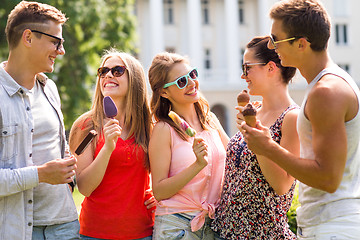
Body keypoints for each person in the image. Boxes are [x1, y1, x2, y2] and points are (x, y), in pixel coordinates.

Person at [241, 0, 360, 239]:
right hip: (326, 225)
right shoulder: (325, 85)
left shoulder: (326, 92)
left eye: (277, 39)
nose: (273, 47)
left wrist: (267, 147)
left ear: (301, 44)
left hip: (332, 227)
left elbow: (327, 178)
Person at [0, 1, 80, 240]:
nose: (61, 50)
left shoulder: (49, 87)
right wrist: (41, 175)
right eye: (56, 42)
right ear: (28, 37)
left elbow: (55, 146)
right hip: (19, 231)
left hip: (65, 225)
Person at [211, 36, 299, 239]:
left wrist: (254, 135)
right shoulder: (255, 111)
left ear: (270, 68)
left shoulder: (292, 117)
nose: (243, 76)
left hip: (260, 234)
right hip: (224, 231)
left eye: (247, 68)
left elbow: (282, 186)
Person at [69, 49, 155, 240]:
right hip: (95, 233)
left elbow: (165, 172)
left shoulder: (149, 126)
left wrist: (159, 195)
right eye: (103, 71)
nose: (108, 75)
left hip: (142, 232)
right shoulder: (86, 126)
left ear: (134, 80)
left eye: (117, 70)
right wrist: (107, 148)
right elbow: (84, 188)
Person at [147, 52, 229, 240]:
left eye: (192, 74)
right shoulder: (163, 129)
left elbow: (234, 158)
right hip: (177, 226)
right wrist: (197, 165)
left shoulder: (211, 121)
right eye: (182, 81)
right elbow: (159, 191)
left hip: (213, 224)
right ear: (164, 92)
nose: (192, 83)